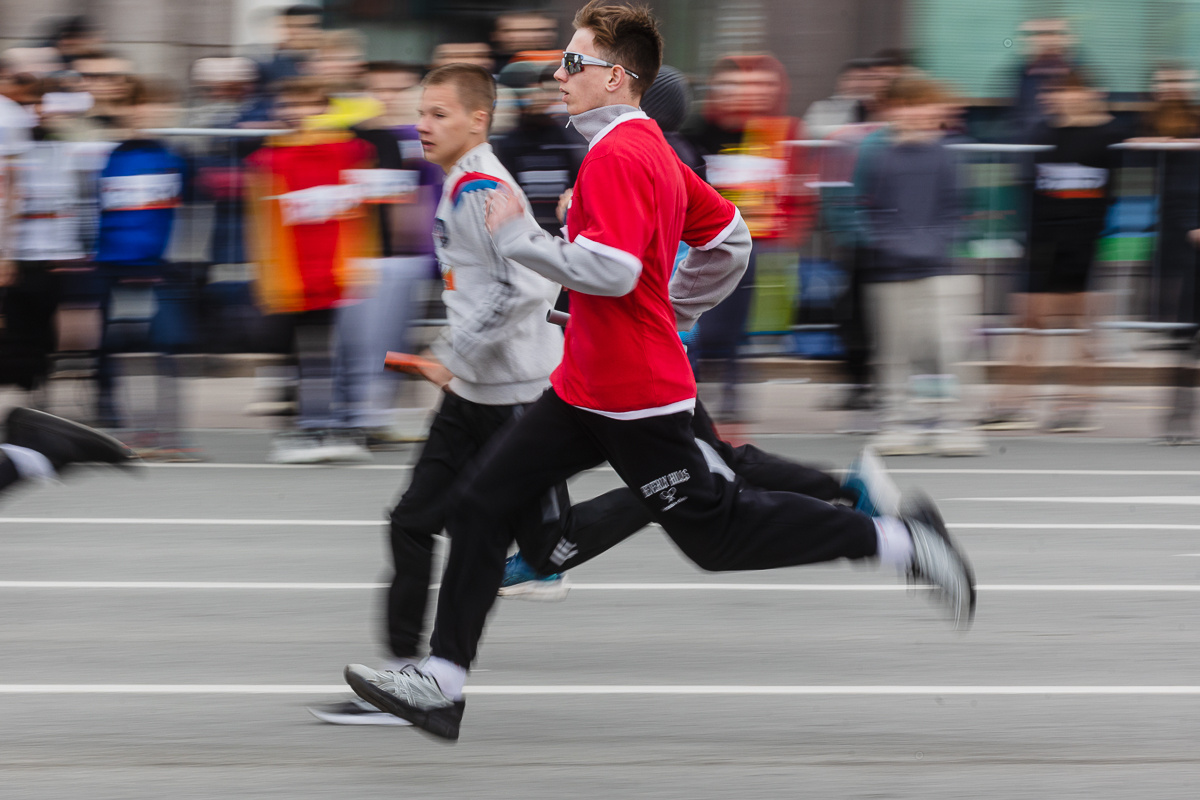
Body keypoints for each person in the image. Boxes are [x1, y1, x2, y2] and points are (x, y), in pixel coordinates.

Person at [343, 1, 976, 741]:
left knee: (718, 538)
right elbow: (729, 238)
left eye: (572, 62)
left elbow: (612, 271)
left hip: (635, 396)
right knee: (482, 503)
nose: (558, 74)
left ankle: (901, 543)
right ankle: (441, 682)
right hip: (583, 385)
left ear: (615, 76)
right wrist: (674, 305)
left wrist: (523, 240)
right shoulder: (642, 147)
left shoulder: (619, 154)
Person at [310, 62, 570, 725]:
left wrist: (451, 355)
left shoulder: (483, 187)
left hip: (513, 398)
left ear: (478, 120)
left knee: (532, 544)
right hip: (474, 395)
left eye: (439, 114)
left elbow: (525, 288)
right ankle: (403, 677)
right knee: (413, 521)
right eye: (421, 113)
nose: (422, 125)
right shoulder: (459, 181)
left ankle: (682, 493)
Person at [244, 77, 377, 463]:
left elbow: (370, 120)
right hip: (289, 274)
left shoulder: (348, 150)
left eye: (309, 105)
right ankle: (300, 429)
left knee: (330, 353)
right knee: (295, 355)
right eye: (291, 105)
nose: (299, 113)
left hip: (333, 271)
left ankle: (328, 425)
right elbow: (261, 224)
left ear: (325, 110)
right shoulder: (269, 159)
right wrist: (269, 275)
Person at [989, 69, 1126, 433]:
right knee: (1027, 320)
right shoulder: (1042, 132)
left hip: (1083, 240)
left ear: (1089, 93)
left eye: (1070, 91)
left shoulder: (1109, 135)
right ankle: (1011, 402)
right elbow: (1029, 185)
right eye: (1055, 92)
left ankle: (1076, 404)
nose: (1061, 98)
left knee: (1083, 325)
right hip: (1041, 239)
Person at [856, 77, 985, 456]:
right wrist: (887, 243)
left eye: (924, 104)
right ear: (891, 112)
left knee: (952, 351)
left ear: (939, 111)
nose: (915, 113)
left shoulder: (949, 156)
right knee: (894, 353)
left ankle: (957, 423)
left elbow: (957, 208)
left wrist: (932, 244)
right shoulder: (878, 157)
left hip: (943, 270)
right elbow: (867, 208)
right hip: (890, 270)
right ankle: (900, 422)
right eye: (906, 105)